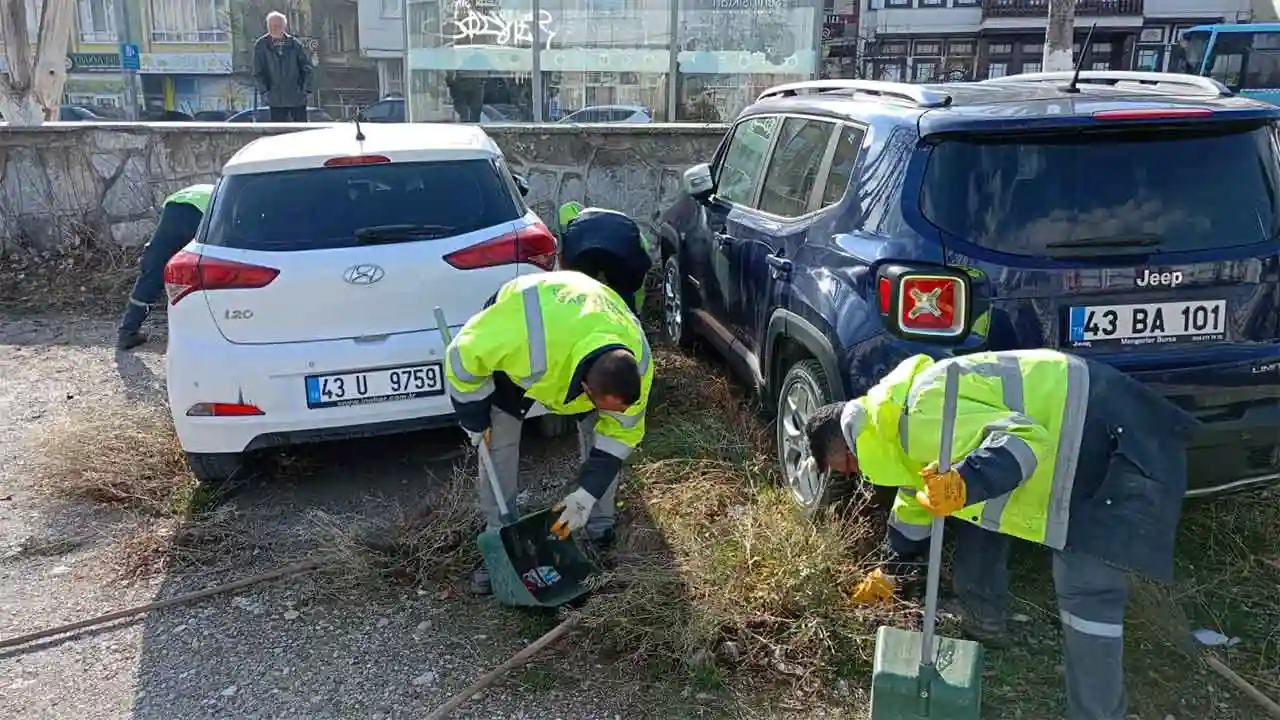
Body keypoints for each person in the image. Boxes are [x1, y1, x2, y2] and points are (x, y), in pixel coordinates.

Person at [803, 349, 1199, 720]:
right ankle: (988, 624)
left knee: (1087, 588)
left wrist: (965, 482)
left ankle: (1097, 713)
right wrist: (891, 568)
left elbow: (1023, 440)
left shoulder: (921, 411)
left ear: (849, 446)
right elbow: (914, 502)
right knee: (985, 519)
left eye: (845, 468)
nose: (851, 476)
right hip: (1085, 423)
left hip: (1098, 428)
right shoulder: (895, 430)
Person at [445, 271, 652, 596]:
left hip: (582, 332)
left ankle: (599, 529)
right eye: (605, 406)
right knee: (498, 443)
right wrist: (474, 419)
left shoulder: (638, 364)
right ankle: (501, 543)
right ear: (586, 388)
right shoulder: (517, 338)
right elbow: (461, 357)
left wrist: (585, 496)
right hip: (526, 343)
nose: (613, 414)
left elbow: (619, 437)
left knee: (602, 434)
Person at [116, 184, 213, 350]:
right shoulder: (225, 193)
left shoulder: (203, 189)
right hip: (202, 214)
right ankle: (201, 332)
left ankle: (127, 332)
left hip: (173, 208)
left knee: (152, 273)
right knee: (204, 271)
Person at [556, 202, 652, 314]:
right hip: (621, 251)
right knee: (624, 290)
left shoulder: (575, 223)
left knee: (581, 289)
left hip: (583, 251)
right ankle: (627, 316)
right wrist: (636, 310)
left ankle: (579, 316)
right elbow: (642, 264)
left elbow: (563, 255)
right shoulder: (626, 224)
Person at [252, 11, 314, 123]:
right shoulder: (261, 45)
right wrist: (265, 92)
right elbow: (258, 72)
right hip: (275, 99)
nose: (273, 29)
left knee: (301, 130)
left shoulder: (295, 44)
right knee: (278, 131)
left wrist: (305, 90)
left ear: (284, 26)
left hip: (297, 98)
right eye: (270, 26)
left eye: (277, 26)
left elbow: (307, 69)